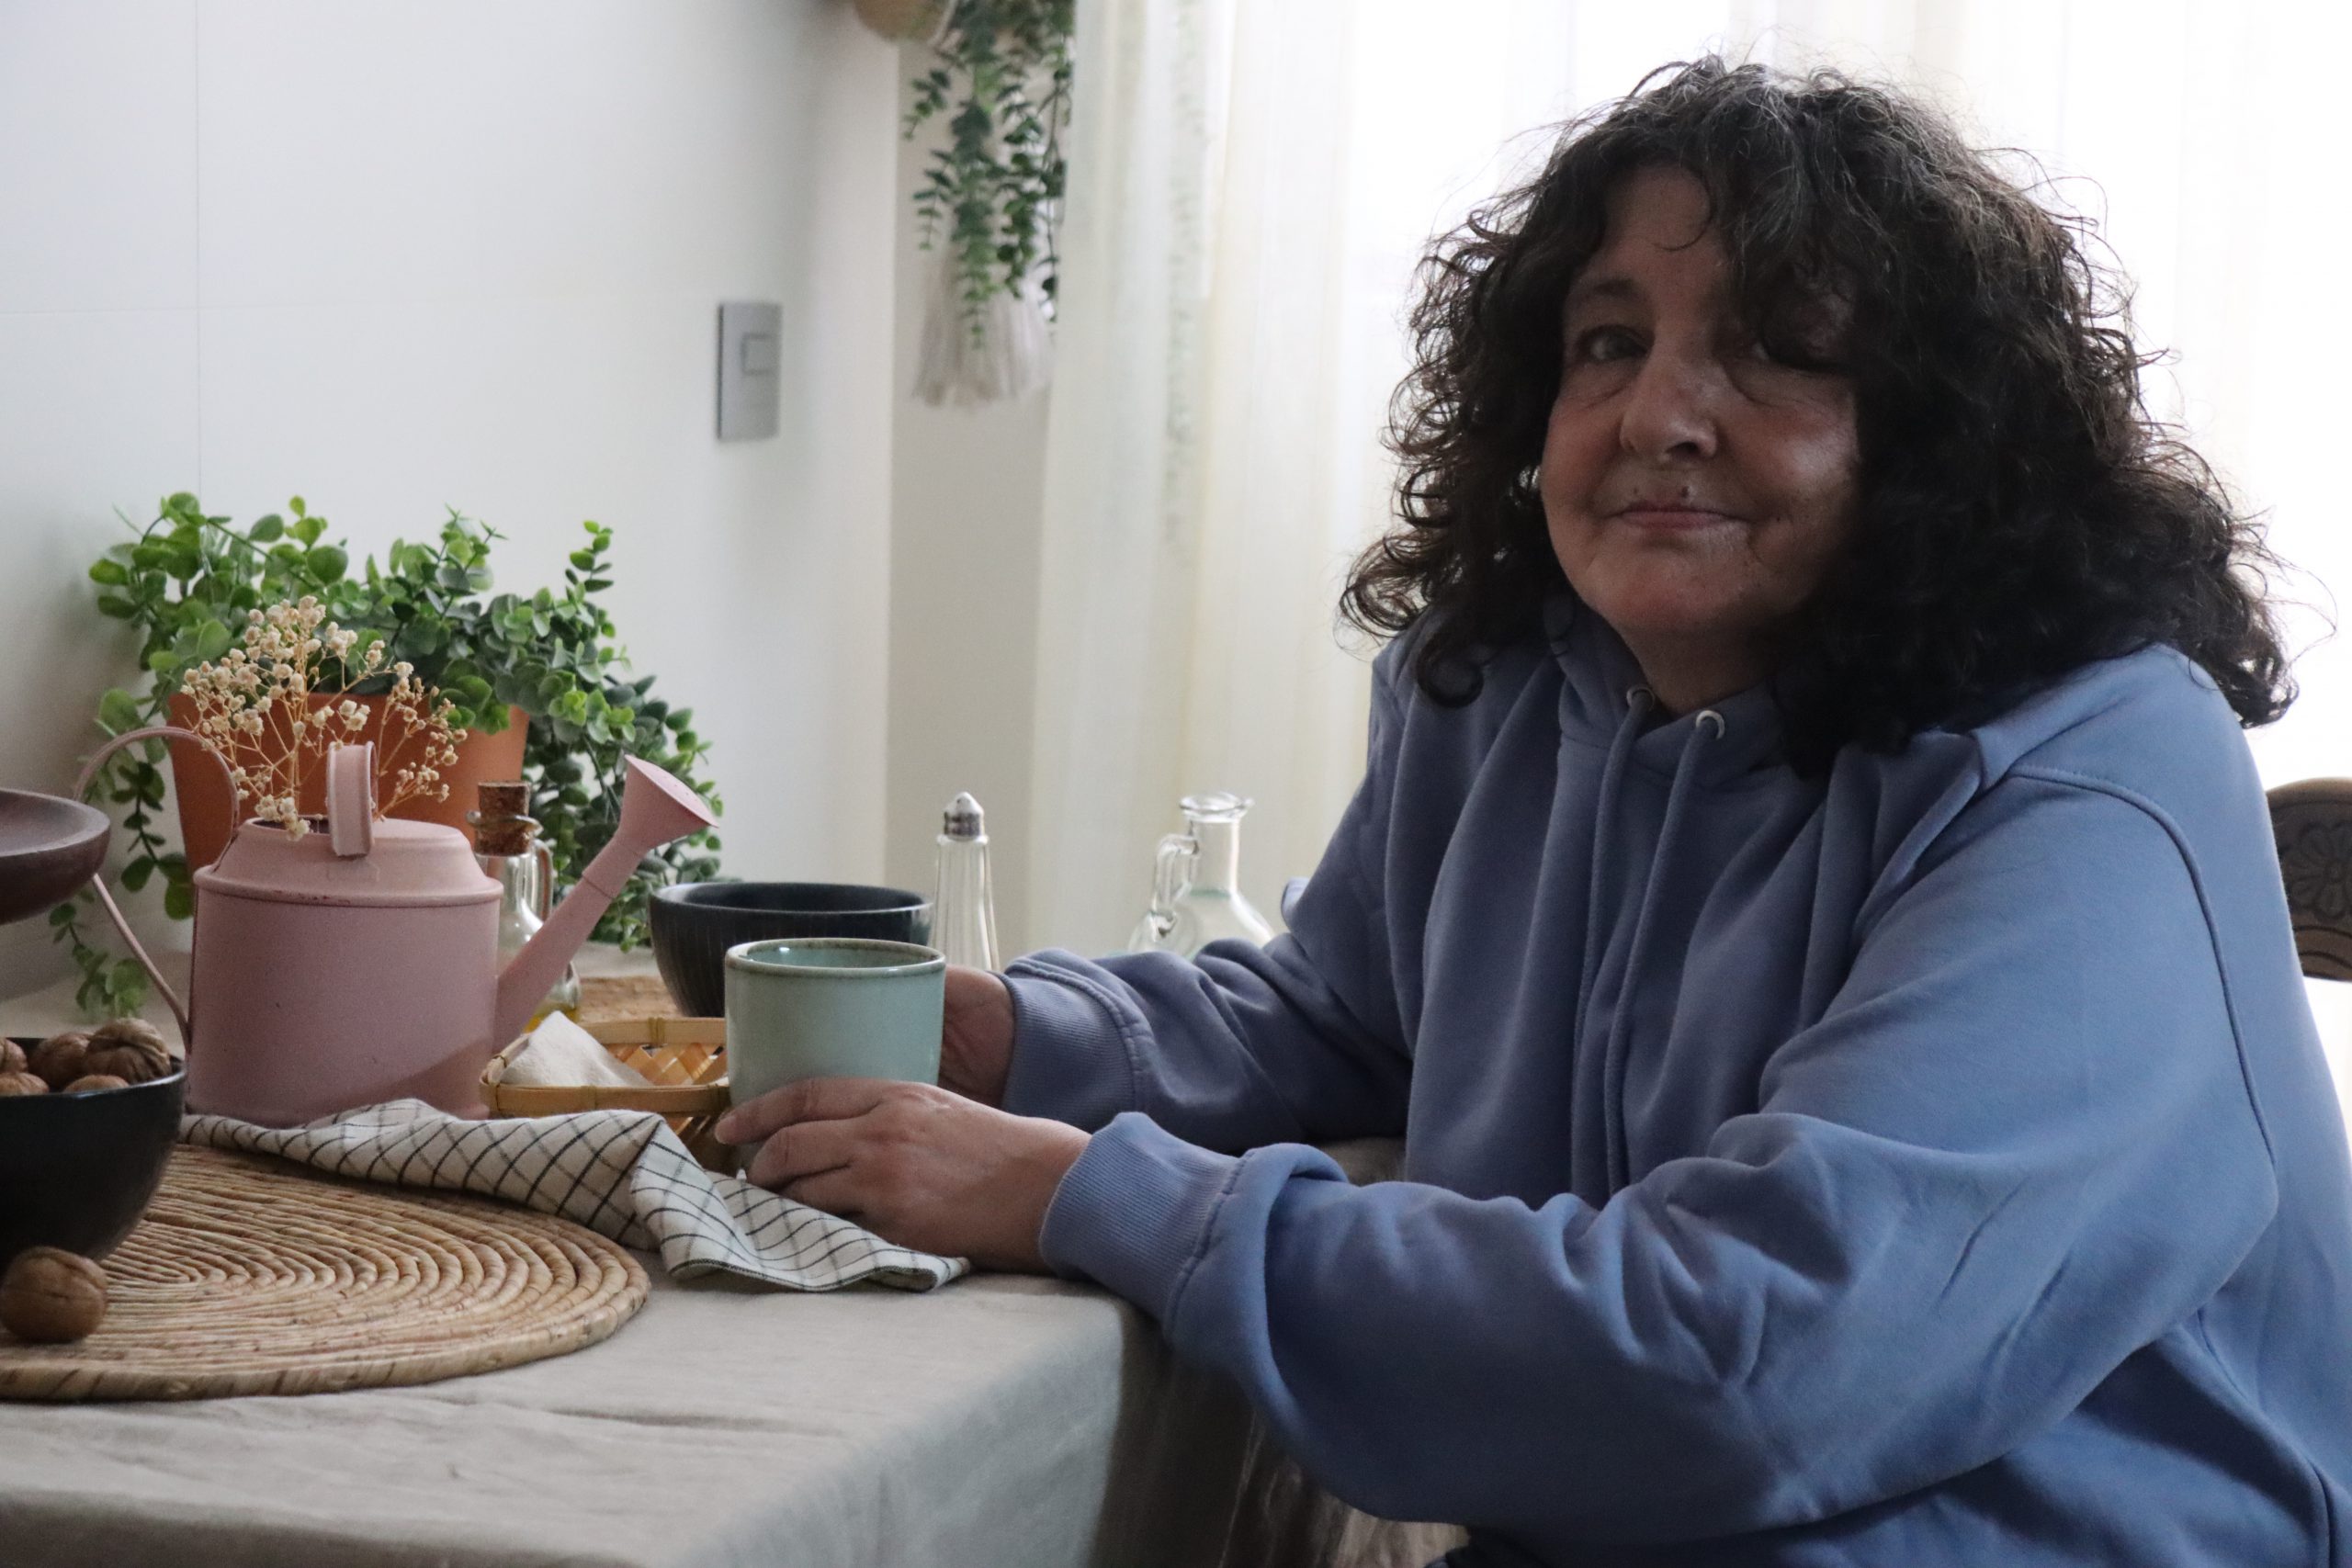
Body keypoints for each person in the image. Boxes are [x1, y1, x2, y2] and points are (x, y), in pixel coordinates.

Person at [715, 58, 2352, 1566]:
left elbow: (1751, 1358)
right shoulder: (1508, 682)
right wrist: (1019, 1041)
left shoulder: (2089, 772)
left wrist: (1087, 1193)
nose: (1659, 415)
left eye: (1780, 348)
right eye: (1608, 343)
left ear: (1941, 434)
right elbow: (1353, 1016)